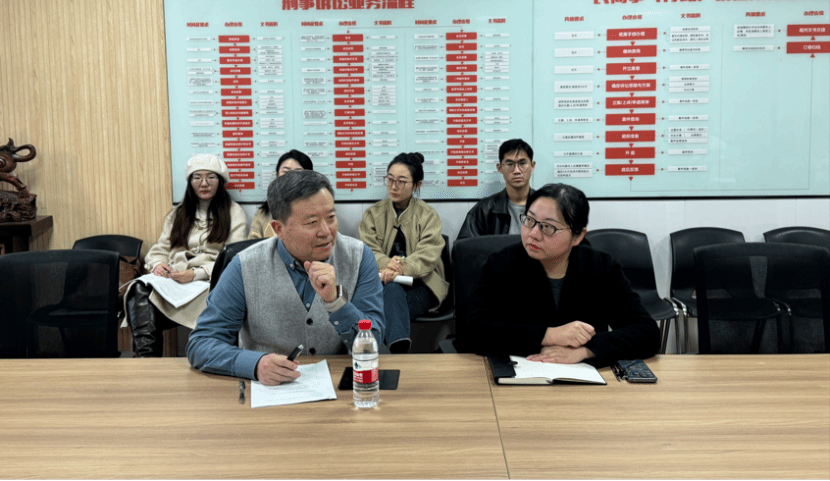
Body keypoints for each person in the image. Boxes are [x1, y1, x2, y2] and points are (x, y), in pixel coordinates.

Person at [187, 170, 385, 385]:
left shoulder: (359, 257)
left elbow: (373, 341)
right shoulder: (244, 265)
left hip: (338, 387)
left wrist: (336, 302)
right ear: (278, 228)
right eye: (311, 222)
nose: (326, 231)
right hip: (267, 391)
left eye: (331, 217)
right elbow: (201, 343)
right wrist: (255, 364)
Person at [463, 183, 660, 366]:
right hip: (519, 373)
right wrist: (548, 335)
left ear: (578, 236)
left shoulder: (600, 267)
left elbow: (647, 333)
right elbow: (472, 331)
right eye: (529, 220)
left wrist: (587, 350)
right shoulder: (501, 263)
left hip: (583, 378)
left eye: (547, 227)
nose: (533, 234)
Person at [128, 154, 248, 357]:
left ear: (220, 181)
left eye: (211, 177)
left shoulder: (234, 213)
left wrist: (195, 274)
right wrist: (158, 264)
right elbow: (160, 249)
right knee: (139, 288)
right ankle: (146, 359)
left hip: (210, 283)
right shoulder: (178, 213)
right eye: (197, 177)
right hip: (175, 280)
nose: (204, 183)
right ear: (190, 182)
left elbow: (233, 260)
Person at [359, 152, 449, 353]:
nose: (393, 186)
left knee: (383, 303)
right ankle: (399, 350)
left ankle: (394, 351)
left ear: (417, 185)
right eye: (390, 179)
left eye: (401, 181)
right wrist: (387, 265)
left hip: (422, 285)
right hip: (384, 283)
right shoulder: (373, 214)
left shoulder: (428, 215)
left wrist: (401, 268)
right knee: (390, 291)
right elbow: (368, 250)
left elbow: (428, 255)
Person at [456, 138, 536, 240]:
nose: (517, 171)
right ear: (499, 168)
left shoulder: (546, 206)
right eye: (510, 164)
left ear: (532, 166)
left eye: (522, 163)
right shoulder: (484, 210)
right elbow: (464, 246)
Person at [249, 149, 314, 239]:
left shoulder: (318, 209)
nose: (291, 177)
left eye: (298, 172)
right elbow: (252, 245)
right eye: (286, 172)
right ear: (277, 176)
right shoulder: (263, 213)